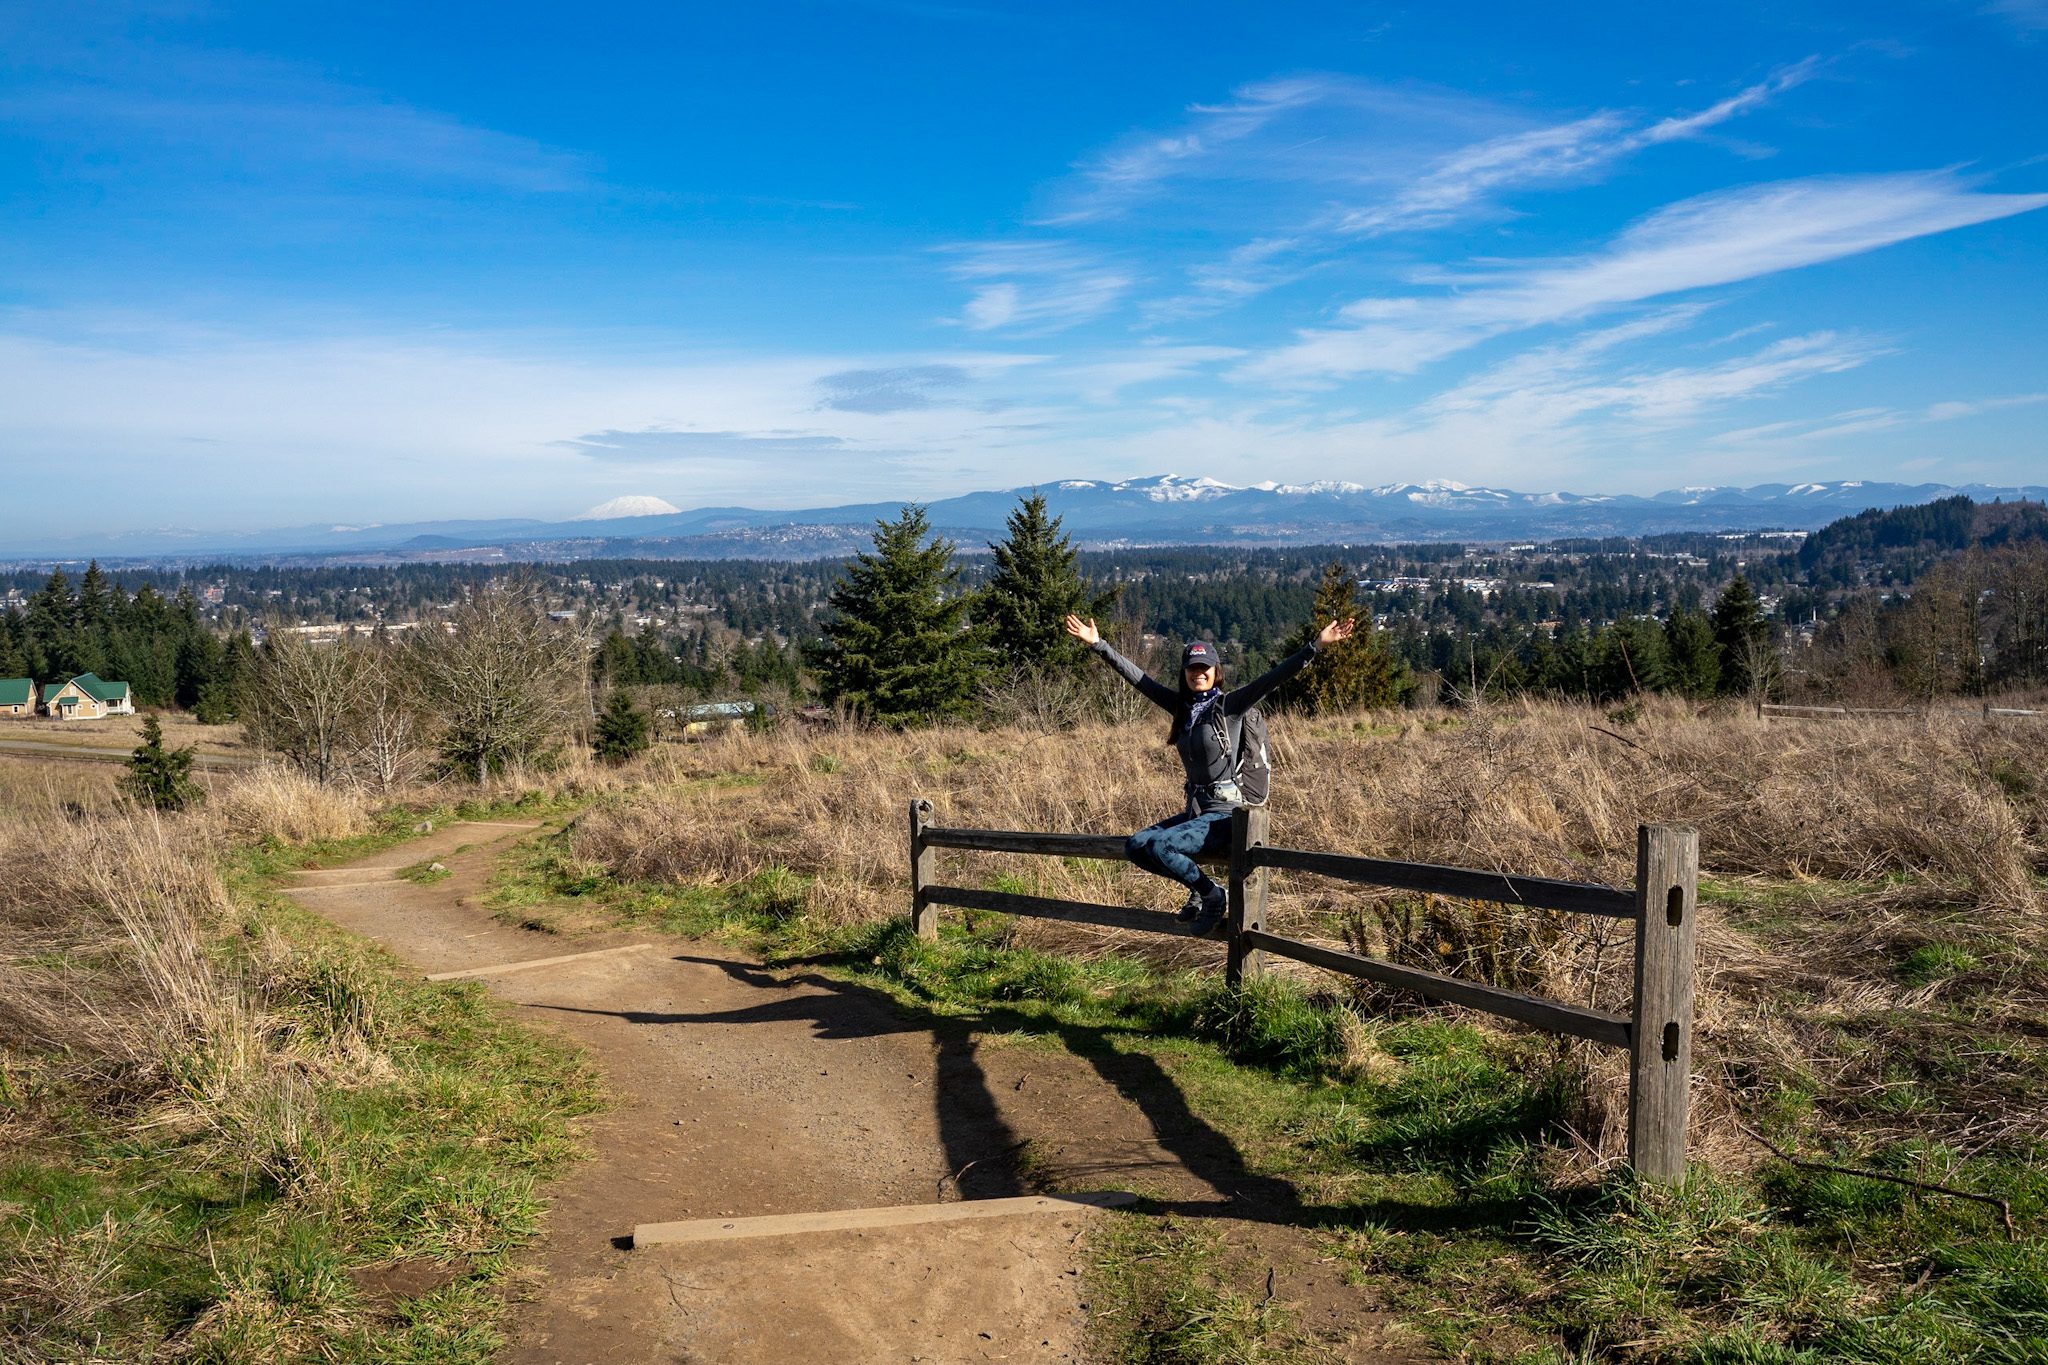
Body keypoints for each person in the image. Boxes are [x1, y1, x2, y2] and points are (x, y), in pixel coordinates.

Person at [1063, 613, 1356, 935]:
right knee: (1136, 845)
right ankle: (1206, 892)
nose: (1197, 673)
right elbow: (1139, 679)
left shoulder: (1230, 706)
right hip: (1199, 810)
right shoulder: (1182, 708)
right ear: (1185, 672)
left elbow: (1274, 677)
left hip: (1227, 815)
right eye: (1192, 668)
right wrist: (1098, 645)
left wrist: (1315, 646)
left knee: (1163, 847)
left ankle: (1211, 895)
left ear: (1216, 672)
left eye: (1204, 668)